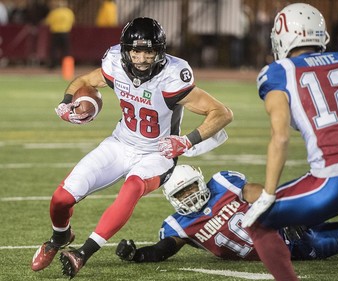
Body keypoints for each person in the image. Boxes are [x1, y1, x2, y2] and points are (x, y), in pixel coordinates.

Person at [31, 17, 233, 279]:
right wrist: (67, 102)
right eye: (135, 51)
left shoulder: (172, 77)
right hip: (120, 143)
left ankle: (83, 253)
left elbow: (222, 113)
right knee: (61, 199)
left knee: (133, 186)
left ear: (160, 52)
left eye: (149, 51)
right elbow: (85, 81)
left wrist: (187, 140)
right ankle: (60, 237)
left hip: (157, 152)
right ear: (125, 51)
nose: (141, 58)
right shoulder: (114, 64)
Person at [237, 2, 338, 280]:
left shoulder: (279, 72)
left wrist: (269, 193)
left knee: (257, 222)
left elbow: (281, 136)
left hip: (333, 179)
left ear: (281, 38)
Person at [115, 165, 338, 264]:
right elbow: (163, 249)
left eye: (190, 187)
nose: (189, 195)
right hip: (298, 249)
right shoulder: (178, 226)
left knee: (336, 195)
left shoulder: (223, 184)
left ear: (200, 182)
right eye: (182, 193)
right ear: (171, 199)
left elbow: (260, 193)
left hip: (286, 221)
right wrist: (137, 255)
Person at [44, 0, 75, 68]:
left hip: (55, 33)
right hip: (65, 33)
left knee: (54, 50)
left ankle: (53, 65)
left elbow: (47, 22)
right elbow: (72, 21)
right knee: (66, 50)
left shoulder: (54, 12)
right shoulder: (69, 12)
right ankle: (66, 66)